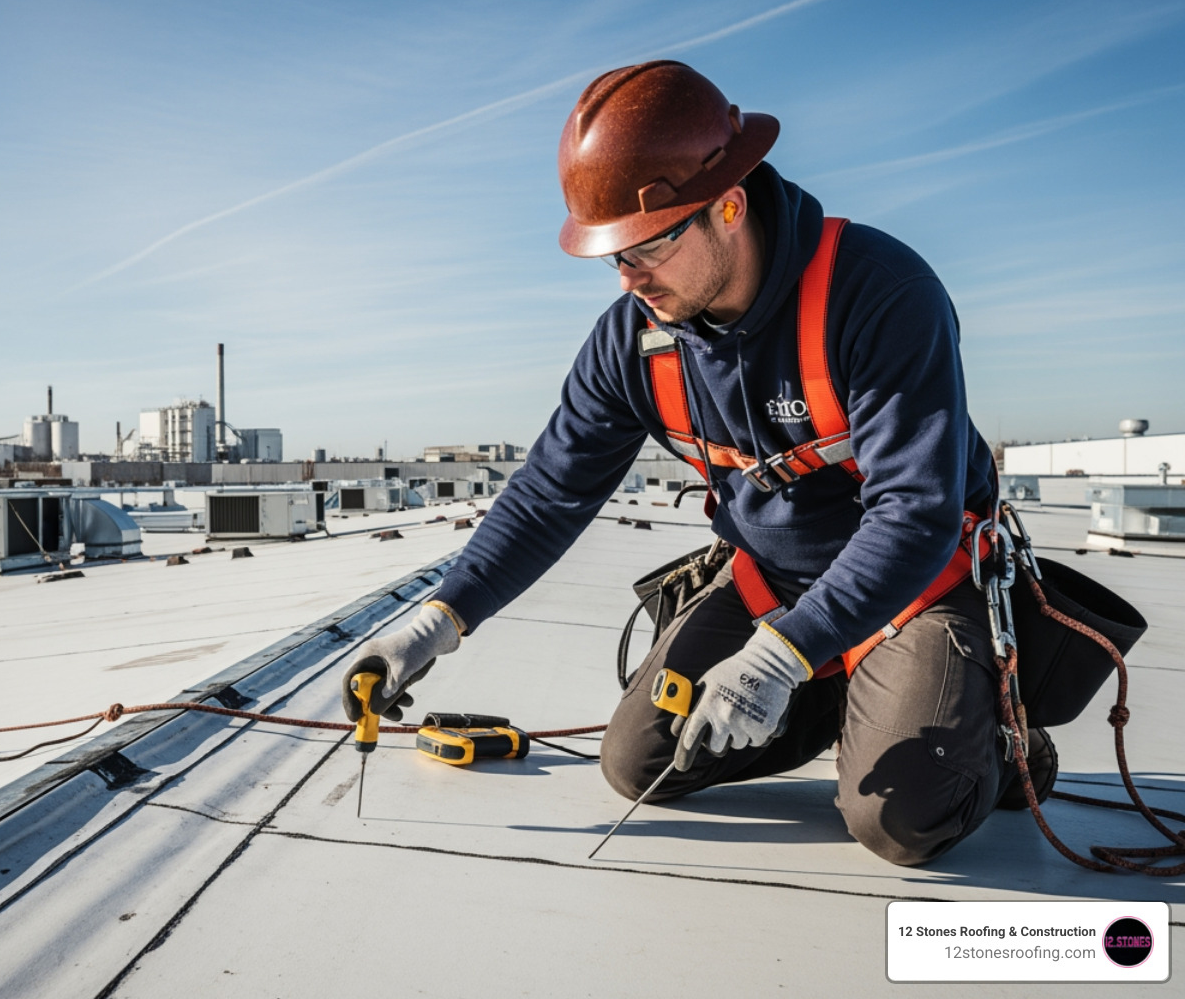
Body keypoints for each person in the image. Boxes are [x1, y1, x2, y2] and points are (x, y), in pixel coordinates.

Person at [341, 60, 1053, 866]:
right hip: (771, 582)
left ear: (729, 206)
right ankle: (847, 702)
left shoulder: (877, 293)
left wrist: (778, 655)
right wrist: (437, 622)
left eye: (646, 247)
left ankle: (993, 745)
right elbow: (548, 495)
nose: (628, 279)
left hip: (914, 589)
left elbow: (915, 515)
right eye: (612, 256)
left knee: (900, 821)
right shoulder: (634, 344)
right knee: (638, 764)